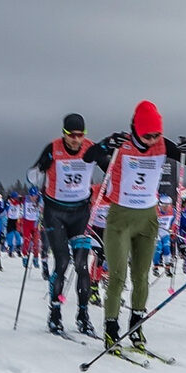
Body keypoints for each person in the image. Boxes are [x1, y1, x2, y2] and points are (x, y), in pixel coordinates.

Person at [98, 101, 186, 350]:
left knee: (141, 276)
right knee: (118, 276)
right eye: (148, 135)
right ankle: (111, 327)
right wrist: (105, 145)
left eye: (156, 134)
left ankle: (136, 326)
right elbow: (92, 155)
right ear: (136, 130)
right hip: (120, 217)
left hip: (147, 218)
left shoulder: (162, 144)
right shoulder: (122, 144)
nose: (153, 140)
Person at [29, 113, 115, 335]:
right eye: (71, 135)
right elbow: (33, 176)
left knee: (82, 265)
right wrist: (40, 171)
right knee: (62, 262)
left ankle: (83, 315)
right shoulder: (53, 148)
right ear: (64, 133)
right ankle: (55, 313)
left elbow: (112, 170)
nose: (76, 139)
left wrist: (112, 164)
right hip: (55, 213)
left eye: (80, 135)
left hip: (80, 214)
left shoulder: (90, 148)